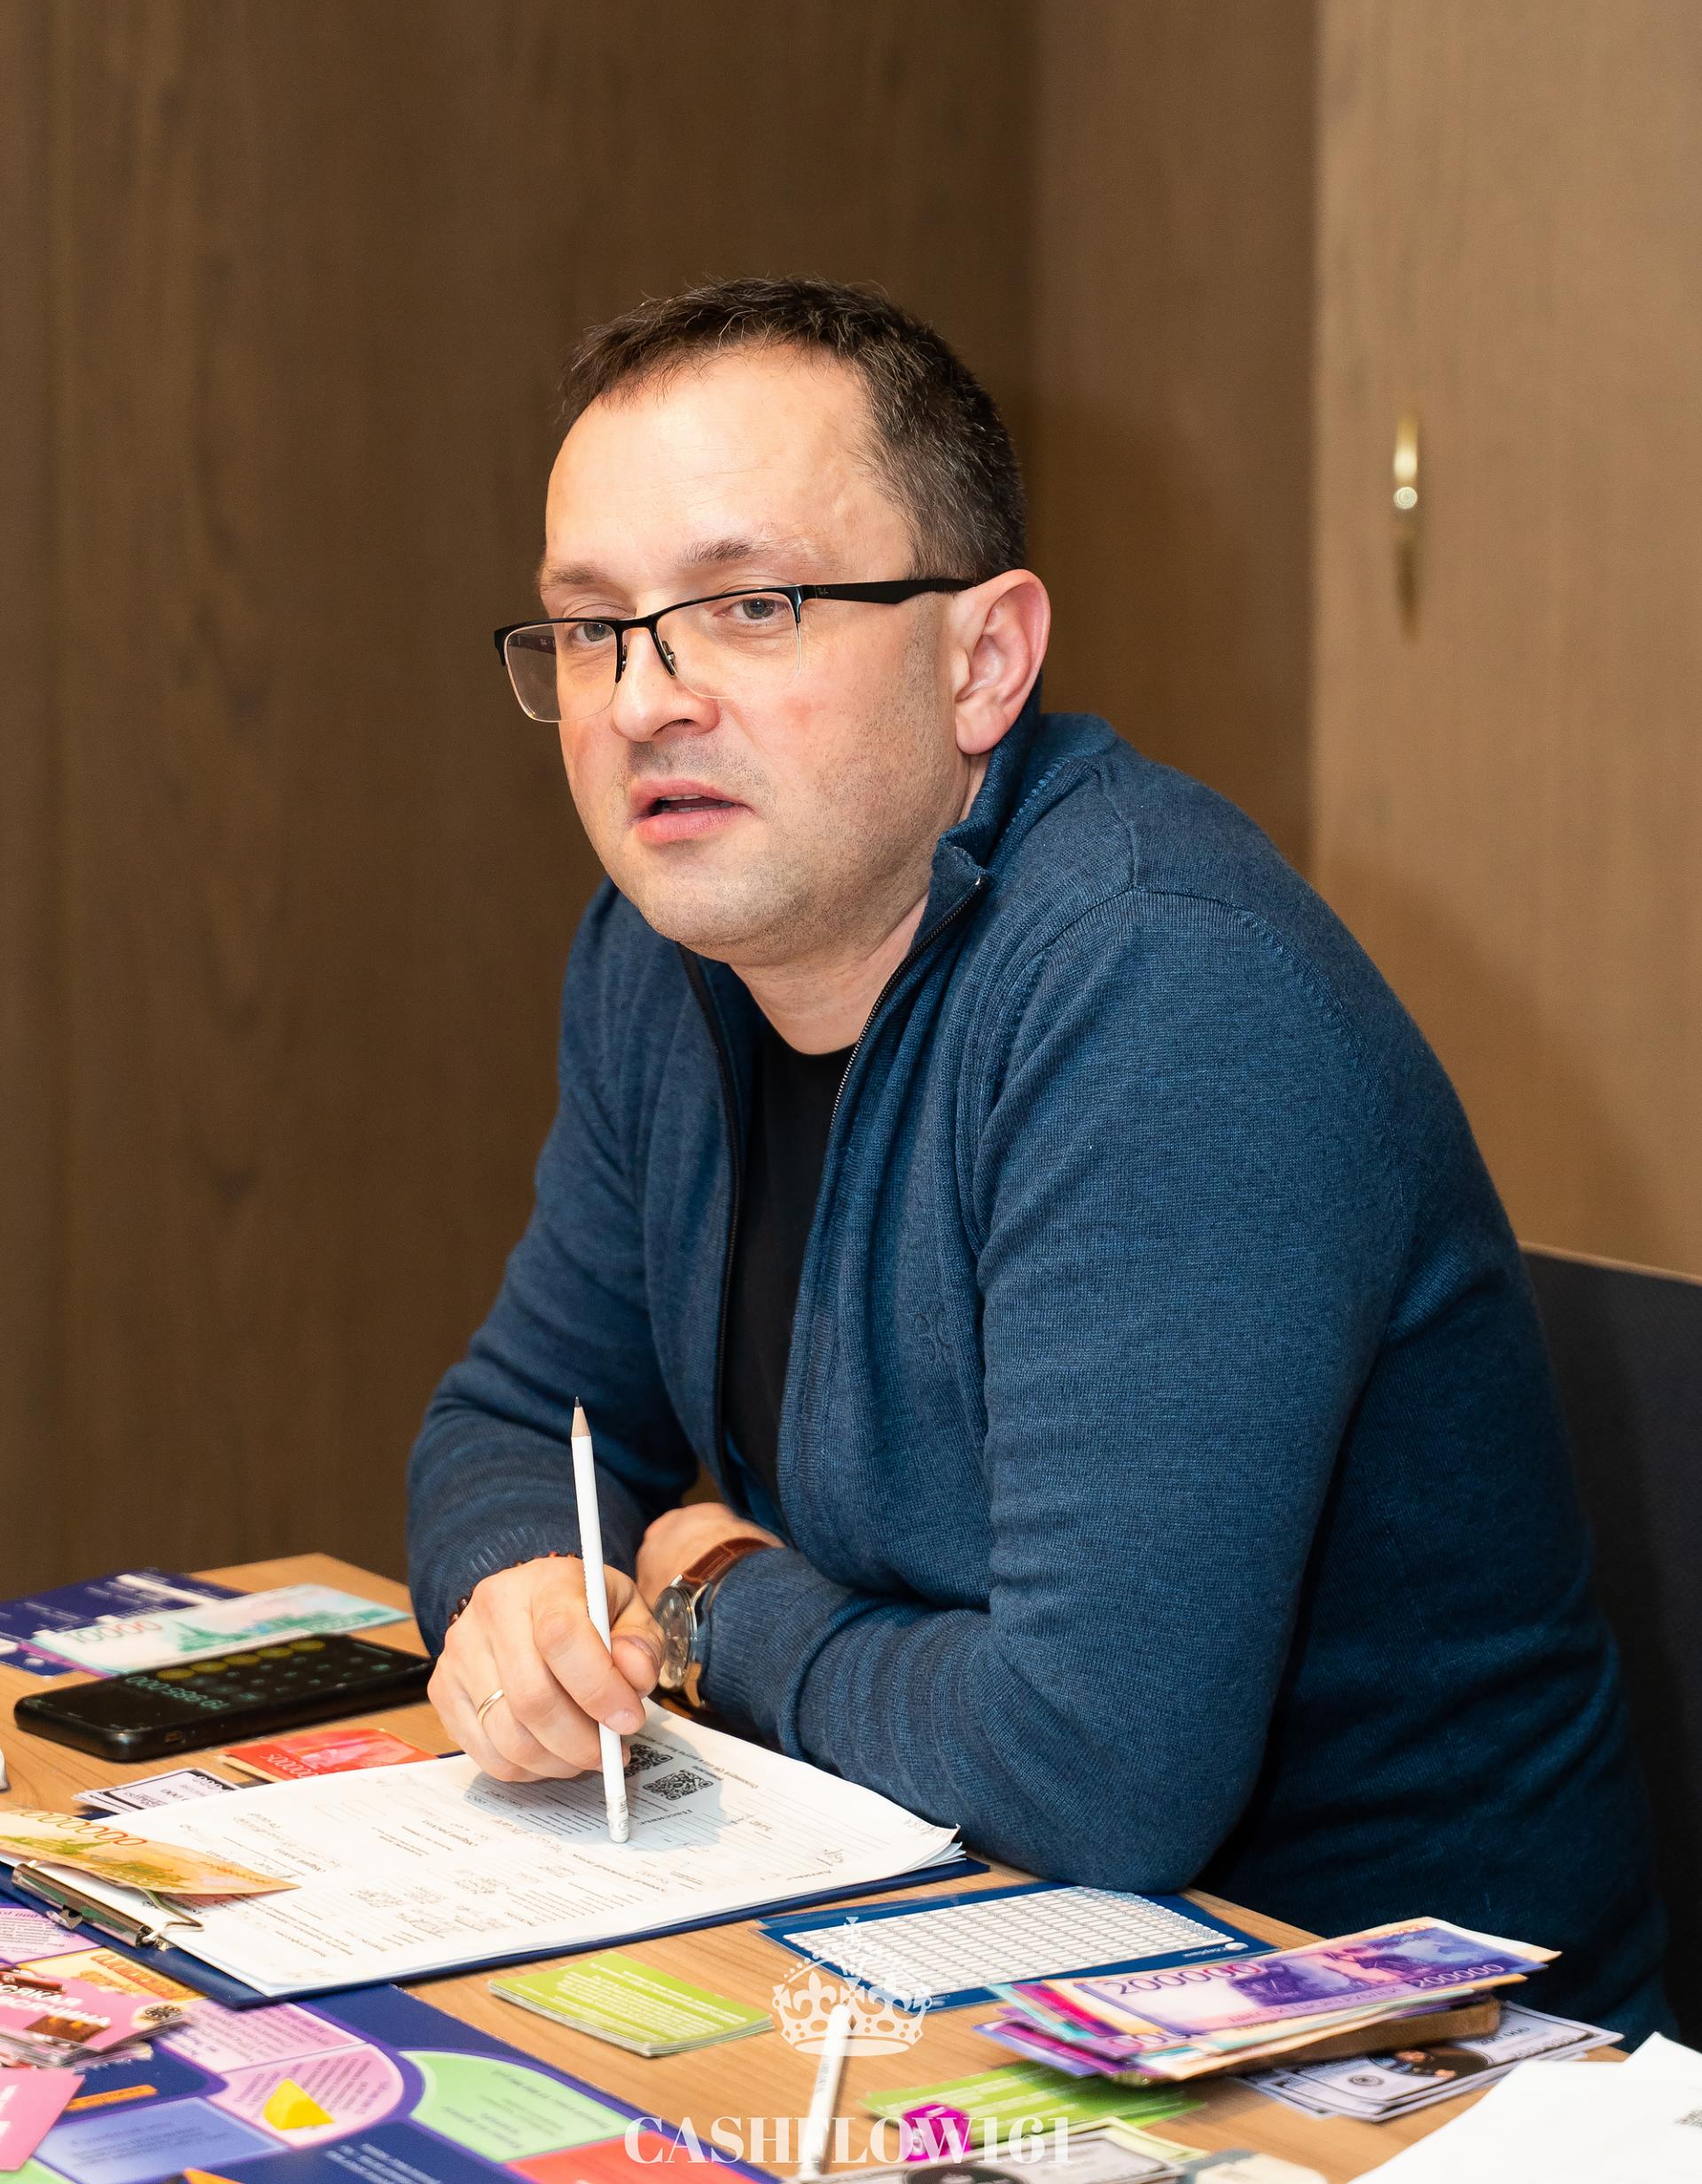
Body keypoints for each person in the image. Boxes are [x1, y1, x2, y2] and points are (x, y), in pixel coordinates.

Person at [407, 277, 1665, 2037]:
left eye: (751, 607)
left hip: (1375, 2045)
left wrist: (706, 1605)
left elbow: (1094, 1767)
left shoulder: (1167, 992)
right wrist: (524, 1596)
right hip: (933, 1934)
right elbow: (510, 1426)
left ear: (984, 660)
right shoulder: (656, 959)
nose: (642, 702)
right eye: (592, 627)